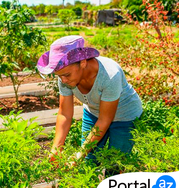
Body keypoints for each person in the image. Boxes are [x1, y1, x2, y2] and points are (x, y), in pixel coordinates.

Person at [36, 35, 143, 170]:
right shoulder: (65, 75)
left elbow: (104, 120)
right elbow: (65, 114)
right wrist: (56, 149)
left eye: (66, 75)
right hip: (93, 113)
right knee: (88, 163)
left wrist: (79, 154)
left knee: (115, 164)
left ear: (83, 63)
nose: (63, 80)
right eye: (59, 76)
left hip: (125, 117)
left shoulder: (110, 76)